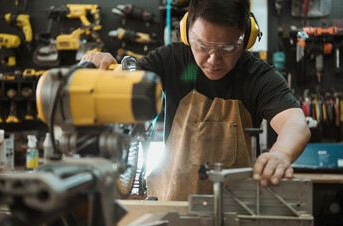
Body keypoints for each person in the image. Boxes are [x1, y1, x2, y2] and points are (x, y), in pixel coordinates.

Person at [81, 0, 311, 201]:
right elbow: (126, 83)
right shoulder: (170, 60)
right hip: (170, 208)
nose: (213, 60)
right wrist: (107, 70)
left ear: (247, 37)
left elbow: (295, 124)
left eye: (227, 48)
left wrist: (280, 154)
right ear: (186, 31)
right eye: (202, 46)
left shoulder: (258, 77)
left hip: (233, 212)